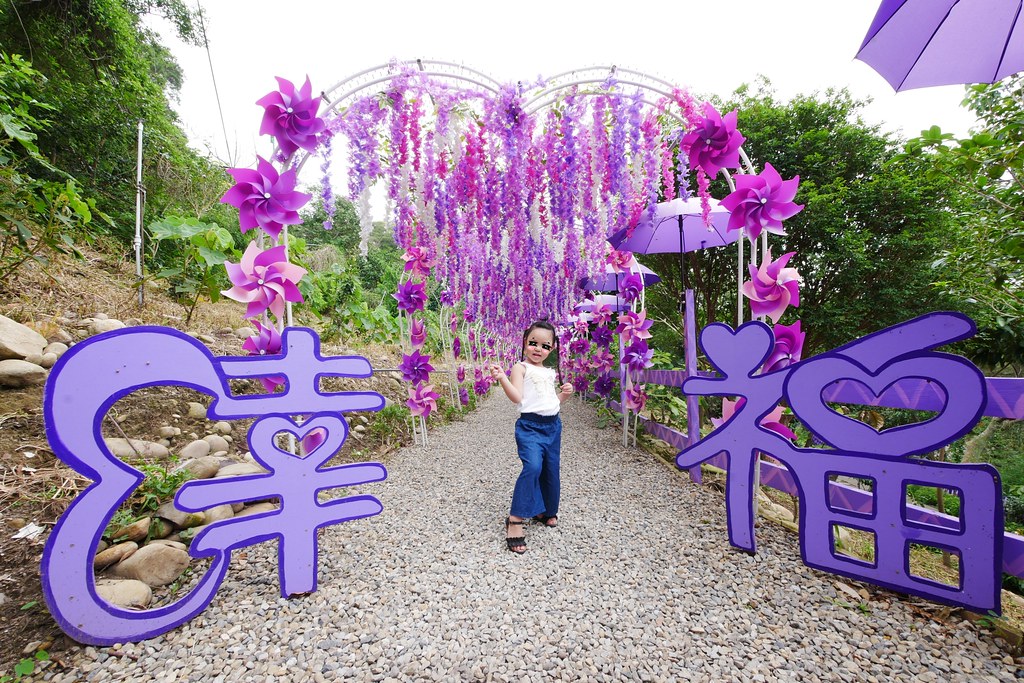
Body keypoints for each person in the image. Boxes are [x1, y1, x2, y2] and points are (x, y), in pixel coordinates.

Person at [489, 319, 574, 554]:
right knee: (533, 466)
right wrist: (503, 378)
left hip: (553, 426)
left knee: (550, 468)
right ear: (525, 341)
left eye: (545, 346)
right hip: (530, 427)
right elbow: (518, 398)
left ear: (553, 348)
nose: (539, 349)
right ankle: (515, 519)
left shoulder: (549, 371)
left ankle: (545, 510)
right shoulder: (520, 367)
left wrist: (564, 395)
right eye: (534, 343)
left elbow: (551, 402)